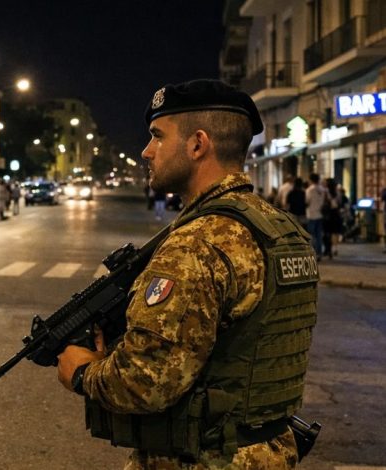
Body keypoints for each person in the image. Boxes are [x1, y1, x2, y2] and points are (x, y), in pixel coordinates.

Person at [56, 79, 318, 469]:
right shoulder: (282, 229)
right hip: (267, 451)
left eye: (157, 137)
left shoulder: (197, 243)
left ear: (197, 144)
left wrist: (82, 372)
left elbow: (145, 382)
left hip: (204, 459)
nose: (146, 151)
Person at [305, 173, 327, 260]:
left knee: (311, 235)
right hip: (320, 214)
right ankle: (319, 253)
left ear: (311, 180)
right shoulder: (322, 190)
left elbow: (307, 201)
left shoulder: (309, 190)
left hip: (311, 214)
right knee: (319, 235)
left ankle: (312, 252)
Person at [322, 178, 343, 258]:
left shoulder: (325, 192)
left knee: (327, 232)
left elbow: (323, 203)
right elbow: (340, 203)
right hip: (336, 214)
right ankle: (334, 248)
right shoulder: (337, 193)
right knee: (334, 232)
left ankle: (328, 249)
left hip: (328, 214)